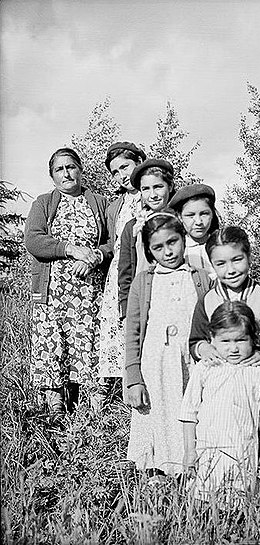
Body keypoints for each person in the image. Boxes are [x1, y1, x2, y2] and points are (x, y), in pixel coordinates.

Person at [189, 226, 260, 465]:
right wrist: (204, 350)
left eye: (237, 259)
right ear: (212, 265)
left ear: (249, 256)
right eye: (221, 263)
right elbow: (195, 340)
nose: (231, 269)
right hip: (221, 389)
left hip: (259, 383)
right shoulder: (207, 299)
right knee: (230, 447)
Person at [24, 147, 111, 419]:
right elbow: (34, 240)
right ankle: (56, 406)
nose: (66, 173)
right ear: (52, 176)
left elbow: (113, 241)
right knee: (53, 344)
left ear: (81, 169)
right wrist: (71, 249)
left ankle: (96, 406)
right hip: (52, 292)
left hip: (90, 292)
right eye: (59, 169)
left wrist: (95, 255)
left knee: (90, 341)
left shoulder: (99, 202)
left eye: (71, 166)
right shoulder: (44, 203)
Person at [125, 211, 213, 477]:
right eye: (158, 247)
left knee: (195, 414)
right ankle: (158, 473)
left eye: (172, 242)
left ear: (183, 239)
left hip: (192, 362)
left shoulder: (199, 277)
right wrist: (133, 377)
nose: (168, 251)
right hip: (156, 366)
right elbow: (133, 331)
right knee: (159, 417)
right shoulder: (145, 280)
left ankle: (196, 471)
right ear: (150, 251)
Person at [180, 301, 260, 500]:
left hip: (245, 453)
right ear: (212, 339)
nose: (233, 348)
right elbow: (189, 414)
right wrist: (189, 451)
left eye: (241, 340)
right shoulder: (205, 369)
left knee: (242, 503)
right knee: (207, 504)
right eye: (225, 341)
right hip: (207, 453)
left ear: (254, 339)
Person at [98, 142, 146, 384]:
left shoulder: (153, 193)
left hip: (145, 268)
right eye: (115, 172)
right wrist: (97, 254)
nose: (121, 176)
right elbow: (111, 243)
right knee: (118, 332)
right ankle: (118, 392)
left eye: (125, 167)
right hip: (119, 274)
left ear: (138, 162)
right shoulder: (115, 206)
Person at [118, 158, 175, 320]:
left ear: (169, 186)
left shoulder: (182, 220)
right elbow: (126, 272)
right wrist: (127, 310)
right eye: (146, 189)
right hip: (146, 299)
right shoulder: (133, 227)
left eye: (158, 187)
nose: (153, 195)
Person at [169, 183, 220, 278]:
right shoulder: (176, 250)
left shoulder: (221, 244)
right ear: (180, 217)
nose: (198, 222)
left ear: (212, 214)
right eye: (190, 215)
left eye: (204, 214)